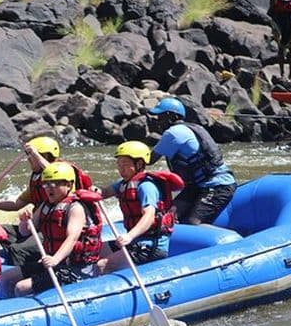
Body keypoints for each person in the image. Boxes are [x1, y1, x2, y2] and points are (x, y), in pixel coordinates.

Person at [0, 162, 103, 297]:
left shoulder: (76, 208)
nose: (49, 188)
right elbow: (26, 231)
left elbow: (72, 238)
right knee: (6, 277)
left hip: (74, 267)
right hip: (52, 263)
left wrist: (55, 259)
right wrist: (25, 221)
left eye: (56, 183)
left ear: (68, 185)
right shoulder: (45, 206)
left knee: (21, 287)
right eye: (46, 184)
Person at [0, 136, 92, 266]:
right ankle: (25, 256)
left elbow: (55, 172)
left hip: (53, 230)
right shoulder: (39, 182)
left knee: (17, 250)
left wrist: (35, 154)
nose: (29, 159)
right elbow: (16, 205)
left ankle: (22, 260)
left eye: (33, 157)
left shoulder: (65, 176)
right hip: (37, 226)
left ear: (46, 156)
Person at [96, 141, 183, 274]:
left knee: (102, 265)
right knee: (95, 251)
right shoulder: (124, 184)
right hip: (135, 241)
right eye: (119, 164)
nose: (121, 169)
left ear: (139, 164)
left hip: (151, 246)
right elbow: (104, 193)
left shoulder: (146, 186)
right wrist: (89, 189)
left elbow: (149, 216)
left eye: (125, 164)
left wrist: (129, 236)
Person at [148, 97, 236, 225]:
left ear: (170, 116)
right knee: (169, 217)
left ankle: (231, 239)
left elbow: (149, 160)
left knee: (193, 222)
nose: (157, 121)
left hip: (217, 185)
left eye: (160, 117)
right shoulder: (189, 128)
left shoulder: (173, 133)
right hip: (198, 186)